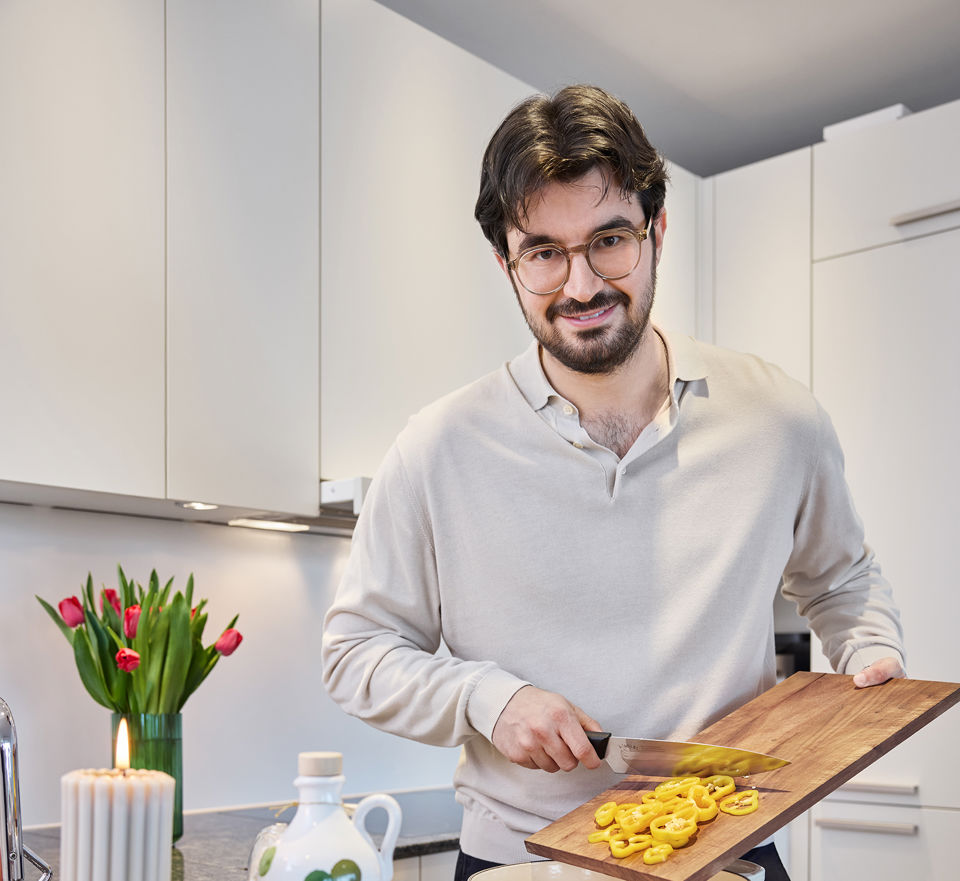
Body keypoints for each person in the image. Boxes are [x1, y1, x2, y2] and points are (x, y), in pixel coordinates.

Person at [321, 84, 905, 881]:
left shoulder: (779, 417)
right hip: (519, 857)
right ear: (506, 263)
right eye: (543, 253)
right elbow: (355, 652)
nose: (582, 286)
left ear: (656, 231)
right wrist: (488, 699)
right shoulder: (436, 448)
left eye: (609, 240)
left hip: (727, 844)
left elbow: (841, 579)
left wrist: (870, 649)